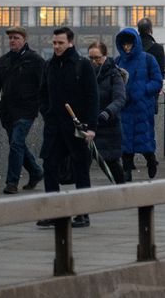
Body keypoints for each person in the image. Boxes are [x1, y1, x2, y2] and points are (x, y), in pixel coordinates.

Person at [35, 27, 98, 228]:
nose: (56, 46)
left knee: (81, 169)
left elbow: (92, 97)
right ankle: (54, 212)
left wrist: (91, 127)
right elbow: (43, 94)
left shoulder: (82, 65)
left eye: (60, 43)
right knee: (50, 167)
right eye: (54, 43)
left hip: (76, 126)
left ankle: (82, 214)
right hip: (54, 127)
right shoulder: (49, 65)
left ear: (70, 42)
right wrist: (47, 112)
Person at [0, 25, 44, 194]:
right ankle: (36, 172)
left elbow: (45, 85)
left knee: (16, 143)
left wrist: (46, 107)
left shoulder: (34, 60)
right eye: (10, 38)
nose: (12, 41)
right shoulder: (4, 60)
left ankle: (12, 182)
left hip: (27, 110)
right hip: (8, 111)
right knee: (18, 144)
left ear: (24, 39)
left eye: (16, 38)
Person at [114, 28, 162, 181]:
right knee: (125, 142)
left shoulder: (148, 59)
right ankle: (127, 170)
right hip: (125, 107)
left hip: (142, 107)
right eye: (125, 45)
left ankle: (151, 160)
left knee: (145, 140)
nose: (127, 48)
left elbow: (157, 81)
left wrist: (143, 90)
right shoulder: (118, 61)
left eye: (130, 44)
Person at [86, 40, 128, 185]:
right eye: (90, 58)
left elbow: (120, 98)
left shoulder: (114, 74)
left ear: (105, 56)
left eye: (97, 58)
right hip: (89, 125)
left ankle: (123, 191)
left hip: (109, 126)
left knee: (112, 163)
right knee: (83, 164)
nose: (93, 61)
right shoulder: (85, 74)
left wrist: (107, 112)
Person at [136, 17, 165, 81]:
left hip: (135, 87)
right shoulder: (158, 48)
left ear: (138, 30)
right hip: (153, 86)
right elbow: (161, 72)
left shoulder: (133, 47)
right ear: (150, 30)